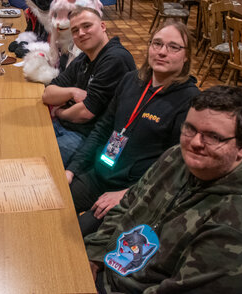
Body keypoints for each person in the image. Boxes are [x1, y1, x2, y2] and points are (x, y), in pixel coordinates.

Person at [86, 85, 242, 294]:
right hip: (116, 271)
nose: (195, 142)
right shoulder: (177, 157)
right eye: (190, 129)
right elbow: (129, 203)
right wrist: (95, 256)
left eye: (213, 137)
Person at [66, 19, 199, 236]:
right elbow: (102, 129)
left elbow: (175, 167)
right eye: (157, 44)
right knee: (53, 206)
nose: (162, 52)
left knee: (74, 236)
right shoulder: (131, 80)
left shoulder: (190, 101)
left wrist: (127, 194)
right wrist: (72, 169)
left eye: (173, 47)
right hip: (100, 174)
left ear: (186, 57)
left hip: (133, 189)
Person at [43, 6, 135, 167]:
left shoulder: (115, 58)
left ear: (103, 26)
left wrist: (59, 112)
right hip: (65, 127)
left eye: (87, 26)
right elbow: (48, 93)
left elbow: (85, 113)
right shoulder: (84, 57)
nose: (81, 33)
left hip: (88, 138)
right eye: (75, 30)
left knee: (40, 160)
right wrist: (73, 91)